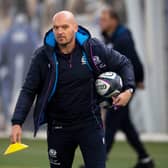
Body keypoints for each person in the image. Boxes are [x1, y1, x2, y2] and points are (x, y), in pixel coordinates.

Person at [10, 10, 135, 168]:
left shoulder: (93, 48)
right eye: (56, 28)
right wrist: (17, 122)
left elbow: (124, 63)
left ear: (75, 28)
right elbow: (28, 90)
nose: (60, 31)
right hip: (58, 127)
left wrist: (128, 90)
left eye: (65, 27)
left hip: (90, 124)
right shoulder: (42, 56)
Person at [99, 7, 155, 168]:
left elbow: (132, 61)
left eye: (104, 19)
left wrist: (138, 80)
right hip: (119, 85)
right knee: (125, 124)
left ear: (114, 20)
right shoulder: (110, 37)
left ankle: (98, 162)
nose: (101, 22)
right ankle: (145, 159)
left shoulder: (123, 38)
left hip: (125, 87)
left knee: (111, 121)